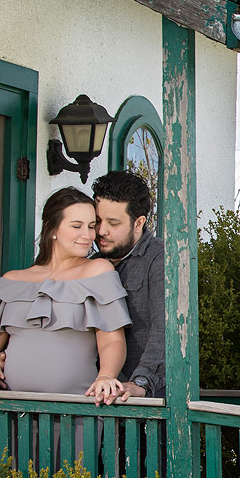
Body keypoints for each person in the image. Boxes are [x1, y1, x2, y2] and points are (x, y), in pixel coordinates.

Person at [0, 187, 131, 404]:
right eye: (77, 226)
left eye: (91, 226)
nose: (88, 235)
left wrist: (106, 376)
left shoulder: (98, 272)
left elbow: (112, 340)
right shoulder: (13, 281)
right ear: (52, 228)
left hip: (77, 411)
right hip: (13, 411)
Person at [90, 170, 165, 401]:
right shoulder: (88, 264)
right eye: (98, 220)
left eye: (113, 223)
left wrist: (140, 382)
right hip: (91, 395)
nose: (102, 231)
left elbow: (165, 329)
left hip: (141, 400)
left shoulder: (161, 258)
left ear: (139, 222)